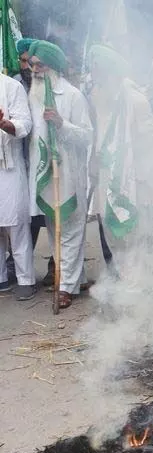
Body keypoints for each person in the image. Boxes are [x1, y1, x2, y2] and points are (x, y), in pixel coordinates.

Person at [27, 41, 93, 309]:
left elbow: (87, 135)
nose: (34, 69)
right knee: (55, 230)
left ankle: (65, 287)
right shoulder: (33, 94)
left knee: (71, 230)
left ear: (52, 67)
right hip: (44, 174)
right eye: (32, 64)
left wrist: (61, 123)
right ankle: (72, 278)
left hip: (69, 172)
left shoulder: (74, 95)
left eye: (39, 65)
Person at [87, 45, 152, 277]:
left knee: (132, 230)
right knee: (107, 224)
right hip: (106, 174)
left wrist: (142, 178)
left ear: (112, 72)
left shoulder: (137, 101)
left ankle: (136, 285)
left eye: (98, 70)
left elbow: (147, 143)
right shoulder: (96, 96)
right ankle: (122, 280)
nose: (93, 75)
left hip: (130, 177)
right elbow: (97, 134)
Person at [0, 72, 34, 300]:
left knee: (17, 225)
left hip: (9, 167)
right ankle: (1, 278)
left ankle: (26, 280)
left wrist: (4, 124)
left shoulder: (11, 87)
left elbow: (25, 124)